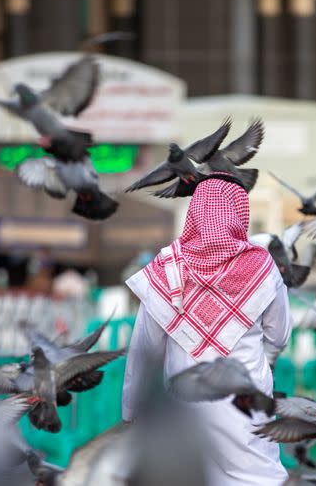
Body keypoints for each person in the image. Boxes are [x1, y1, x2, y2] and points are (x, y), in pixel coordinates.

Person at [122, 176, 292, 486]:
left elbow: (145, 352)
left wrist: (132, 412)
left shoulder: (167, 267)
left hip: (183, 411)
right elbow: (279, 336)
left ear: (195, 213)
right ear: (240, 214)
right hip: (245, 407)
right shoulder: (262, 266)